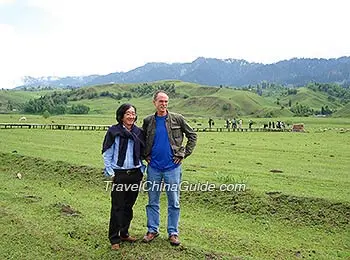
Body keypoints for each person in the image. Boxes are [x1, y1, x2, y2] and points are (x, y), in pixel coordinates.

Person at [142, 90, 197, 246]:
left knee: (174, 201)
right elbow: (142, 139)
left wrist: (183, 153)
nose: (163, 104)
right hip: (153, 168)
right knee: (153, 200)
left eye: (166, 101)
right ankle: (152, 230)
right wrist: (145, 154)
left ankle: (173, 233)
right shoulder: (148, 121)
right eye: (160, 101)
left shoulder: (177, 119)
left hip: (173, 167)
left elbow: (192, 135)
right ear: (154, 102)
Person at [102, 103, 145, 251]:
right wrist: (111, 173)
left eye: (133, 113)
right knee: (117, 206)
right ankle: (114, 238)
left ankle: (124, 233)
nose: (131, 116)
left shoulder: (139, 132)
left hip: (135, 174)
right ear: (121, 116)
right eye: (128, 113)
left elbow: (143, 152)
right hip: (119, 174)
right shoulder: (114, 132)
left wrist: (142, 170)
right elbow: (107, 152)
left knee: (129, 206)